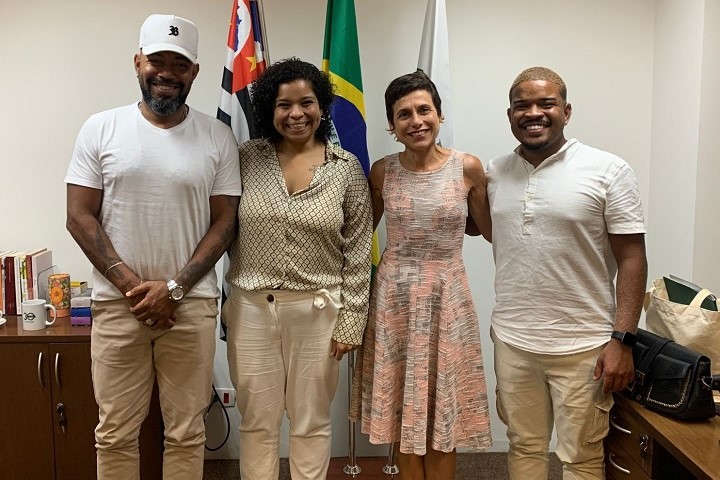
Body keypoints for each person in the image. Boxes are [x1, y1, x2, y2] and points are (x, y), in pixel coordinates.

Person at [65, 14, 241, 480]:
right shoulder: (100, 129)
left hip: (191, 307)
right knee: (116, 433)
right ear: (137, 62)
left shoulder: (217, 137)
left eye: (179, 65)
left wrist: (175, 289)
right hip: (118, 308)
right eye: (156, 61)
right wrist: (132, 288)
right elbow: (79, 216)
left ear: (195, 73)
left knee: (186, 433)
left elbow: (225, 222)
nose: (166, 72)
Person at [486, 66, 648, 479]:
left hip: (586, 346)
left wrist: (623, 339)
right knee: (524, 447)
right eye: (522, 105)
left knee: (580, 456)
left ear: (567, 110)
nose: (533, 113)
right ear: (510, 115)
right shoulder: (493, 173)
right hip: (513, 341)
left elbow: (632, 258)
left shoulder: (608, 170)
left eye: (546, 103)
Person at [223, 57, 373, 480]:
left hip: (318, 313)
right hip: (251, 311)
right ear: (270, 110)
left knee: (310, 422)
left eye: (306, 102)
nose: (295, 114)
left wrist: (351, 323)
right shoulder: (245, 160)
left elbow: (359, 253)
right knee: (257, 422)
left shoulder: (346, 170)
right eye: (284, 105)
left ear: (321, 106)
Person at [350, 71, 493, 480]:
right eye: (404, 114)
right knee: (406, 416)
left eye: (423, 110)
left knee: (441, 413)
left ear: (439, 115)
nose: (416, 121)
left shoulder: (467, 168)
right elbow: (360, 234)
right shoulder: (382, 172)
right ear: (392, 126)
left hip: (447, 297)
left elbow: (487, 230)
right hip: (395, 299)